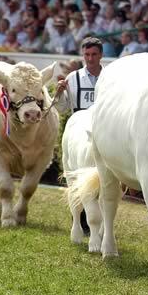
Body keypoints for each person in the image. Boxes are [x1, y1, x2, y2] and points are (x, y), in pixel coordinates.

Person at [56, 37, 104, 234]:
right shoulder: (73, 78)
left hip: (103, 130)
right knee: (78, 176)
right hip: (78, 133)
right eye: (86, 55)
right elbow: (62, 107)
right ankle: (80, 221)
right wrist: (58, 93)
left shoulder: (110, 76)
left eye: (94, 54)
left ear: (100, 55)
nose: (90, 59)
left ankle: (100, 225)